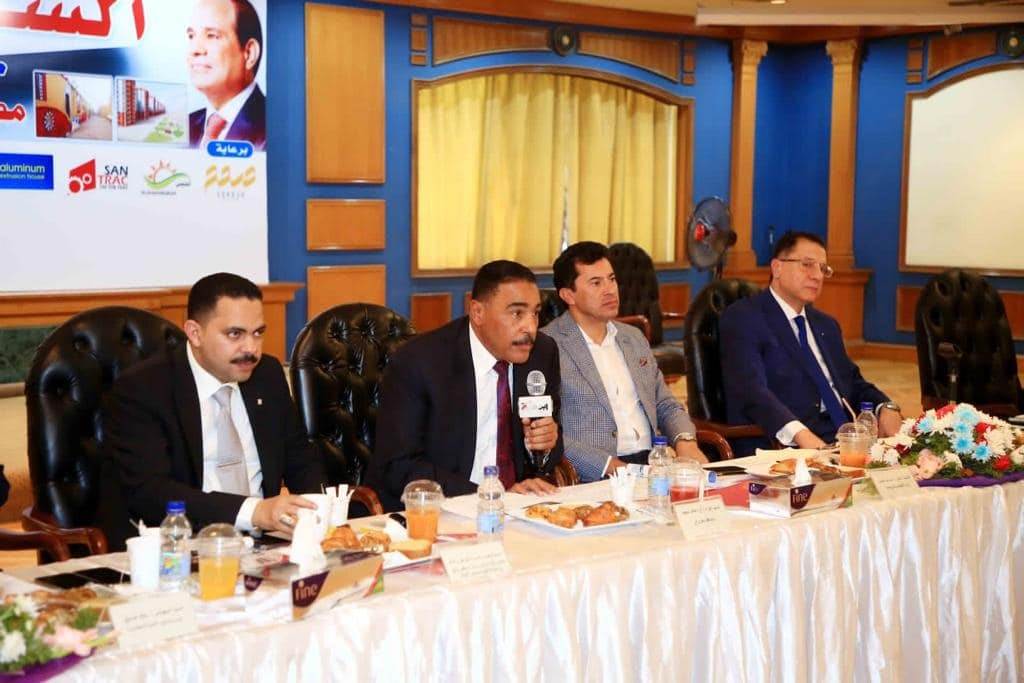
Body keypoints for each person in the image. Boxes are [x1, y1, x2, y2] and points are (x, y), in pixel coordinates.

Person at [102, 273, 325, 549]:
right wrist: (254, 512)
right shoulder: (144, 388)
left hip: (267, 547)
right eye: (235, 334)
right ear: (195, 333)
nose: (251, 349)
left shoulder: (266, 375)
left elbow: (301, 461)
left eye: (258, 333)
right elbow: (151, 492)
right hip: (182, 548)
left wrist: (320, 511)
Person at [368, 260, 563, 511]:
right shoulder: (419, 362)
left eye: (535, 313)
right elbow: (399, 466)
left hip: (517, 508)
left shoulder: (542, 353)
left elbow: (549, 451)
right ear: (478, 312)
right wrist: (488, 495)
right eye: (517, 313)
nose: (530, 328)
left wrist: (544, 445)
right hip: (434, 510)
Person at [719, 231, 902, 455]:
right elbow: (752, 391)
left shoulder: (826, 324)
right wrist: (802, 435)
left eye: (823, 269)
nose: (817, 276)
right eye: (807, 265)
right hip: (788, 445)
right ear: (777, 268)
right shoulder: (744, 318)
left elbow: (853, 382)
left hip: (846, 439)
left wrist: (886, 406)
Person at [542, 242, 706, 483]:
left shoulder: (633, 337)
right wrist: (611, 467)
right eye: (596, 283)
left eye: (611, 279)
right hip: (595, 474)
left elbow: (665, 403)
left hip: (652, 465)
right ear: (568, 295)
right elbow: (547, 432)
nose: (610, 290)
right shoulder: (548, 346)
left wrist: (686, 442)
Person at [187, 0, 266, 150]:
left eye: (212, 36)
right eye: (191, 36)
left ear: (249, 53)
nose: (195, 50)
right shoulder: (187, 126)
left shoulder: (276, 126)